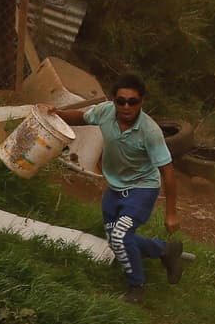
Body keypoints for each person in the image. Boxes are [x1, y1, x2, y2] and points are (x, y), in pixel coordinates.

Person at [48, 74, 182, 305]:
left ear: (142, 102)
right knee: (115, 238)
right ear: (114, 101)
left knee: (120, 237)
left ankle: (136, 286)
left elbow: (168, 172)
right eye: (121, 101)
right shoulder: (105, 112)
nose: (126, 107)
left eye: (133, 101)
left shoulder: (150, 132)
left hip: (142, 188)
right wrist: (55, 115)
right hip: (115, 187)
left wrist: (171, 213)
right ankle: (164, 250)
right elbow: (81, 117)